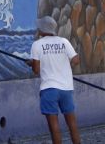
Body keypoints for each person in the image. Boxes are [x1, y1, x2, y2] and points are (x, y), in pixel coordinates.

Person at [27, 16, 81, 144]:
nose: (37, 29)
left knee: (54, 127)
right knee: (72, 125)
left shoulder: (37, 45)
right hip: (66, 89)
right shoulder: (64, 41)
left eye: (39, 27)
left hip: (49, 89)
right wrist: (64, 66)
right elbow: (76, 60)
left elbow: (36, 70)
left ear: (42, 30)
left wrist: (32, 63)